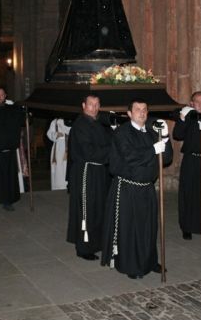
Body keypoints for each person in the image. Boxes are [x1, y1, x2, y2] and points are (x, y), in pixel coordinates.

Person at [101, 99, 172, 278]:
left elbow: (168, 157)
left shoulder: (151, 131)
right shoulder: (122, 133)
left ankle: (148, 260)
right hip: (128, 188)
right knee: (130, 228)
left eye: (145, 109)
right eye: (137, 109)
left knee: (148, 227)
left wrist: (165, 137)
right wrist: (153, 150)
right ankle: (130, 265)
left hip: (147, 188)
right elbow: (130, 157)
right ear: (130, 114)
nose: (142, 112)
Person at [66, 94, 112, 260]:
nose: (94, 107)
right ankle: (83, 247)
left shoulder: (98, 123)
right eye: (91, 104)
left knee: (99, 209)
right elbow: (89, 152)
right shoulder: (81, 125)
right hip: (86, 172)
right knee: (87, 210)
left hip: (99, 172)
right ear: (83, 105)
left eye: (97, 104)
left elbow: (108, 142)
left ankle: (96, 242)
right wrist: (112, 151)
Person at [173, 91, 201, 240]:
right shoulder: (188, 118)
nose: (200, 104)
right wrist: (182, 119)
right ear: (191, 104)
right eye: (196, 102)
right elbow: (177, 135)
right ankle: (187, 226)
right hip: (192, 160)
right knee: (189, 194)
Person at [46, 118, 71, 191]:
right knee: (59, 167)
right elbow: (49, 133)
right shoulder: (55, 121)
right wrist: (56, 134)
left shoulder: (70, 120)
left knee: (67, 166)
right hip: (58, 148)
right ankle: (58, 186)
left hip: (69, 146)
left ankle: (68, 185)